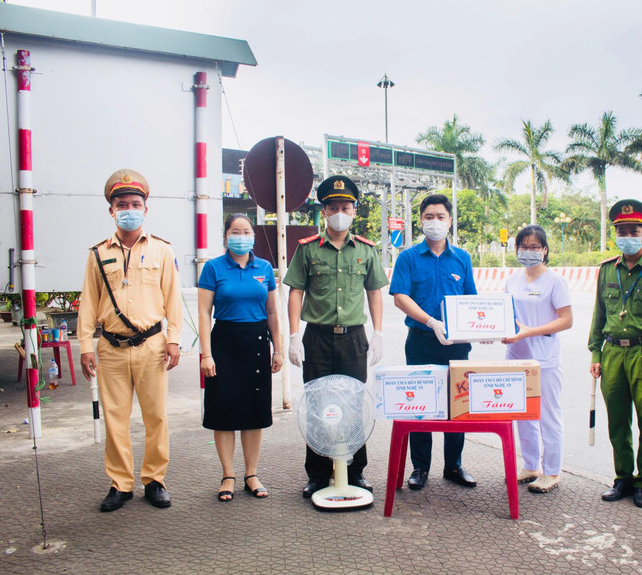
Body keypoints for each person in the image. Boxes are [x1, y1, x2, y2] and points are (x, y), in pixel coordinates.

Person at [78, 169, 182, 512]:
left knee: (156, 417)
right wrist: (84, 347)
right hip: (110, 348)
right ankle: (120, 484)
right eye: (121, 204)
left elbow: (173, 299)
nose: (129, 209)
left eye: (135, 203)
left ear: (145, 209)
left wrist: (174, 340)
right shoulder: (97, 253)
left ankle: (154, 480)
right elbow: (88, 304)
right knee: (115, 419)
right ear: (111, 210)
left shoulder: (162, 251)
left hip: (152, 345)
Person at [284, 175, 388, 498]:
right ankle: (317, 473)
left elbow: (374, 292)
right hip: (316, 337)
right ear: (324, 212)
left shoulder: (367, 251)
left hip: (353, 338)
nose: (339, 212)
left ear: (354, 211)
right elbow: (295, 292)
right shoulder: (307, 250)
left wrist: (379, 332)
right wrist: (293, 335)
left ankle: (356, 471)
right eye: (332, 207)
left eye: (345, 206)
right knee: (317, 402)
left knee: (354, 402)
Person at [587, 200, 642, 508]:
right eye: (621, 231)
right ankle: (623, 477)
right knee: (617, 421)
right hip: (612, 353)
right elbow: (598, 314)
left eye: (633, 231)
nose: (627, 236)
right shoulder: (606, 271)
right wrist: (594, 353)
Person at [390, 194, 478, 491]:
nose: (435, 222)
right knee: (421, 406)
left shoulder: (462, 258)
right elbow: (400, 297)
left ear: (450, 221)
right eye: (429, 216)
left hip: (456, 344)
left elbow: (471, 301)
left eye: (441, 216)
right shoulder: (408, 258)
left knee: (457, 404)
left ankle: (453, 465)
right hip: (421, 340)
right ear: (421, 221)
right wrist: (431, 321)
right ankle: (420, 468)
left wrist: (479, 327)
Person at [198, 214, 283, 502]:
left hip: (258, 343)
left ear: (253, 236)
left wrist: (279, 348)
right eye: (236, 231)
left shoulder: (265, 269)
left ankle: (251, 473)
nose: (241, 236)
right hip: (224, 344)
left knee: (253, 412)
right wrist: (206, 354)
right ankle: (227, 475)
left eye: (246, 231)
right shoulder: (213, 268)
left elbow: (272, 312)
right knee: (223, 413)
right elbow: (203, 313)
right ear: (226, 236)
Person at [501, 225, 573, 494]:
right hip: (517, 356)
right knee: (522, 413)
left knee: (547, 415)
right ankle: (531, 465)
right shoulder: (512, 280)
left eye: (534, 247)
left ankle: (552, 471)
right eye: (523, 247)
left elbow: (566, 320)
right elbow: (506, 315)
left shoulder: (555, 281)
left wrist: (531, 332)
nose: (529, 252)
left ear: (544, 250)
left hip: (545, 358)